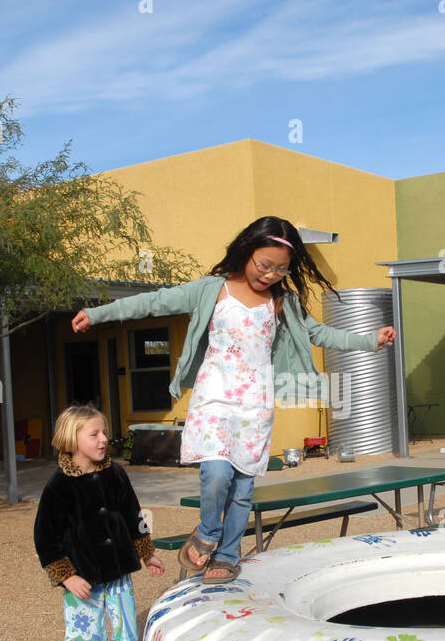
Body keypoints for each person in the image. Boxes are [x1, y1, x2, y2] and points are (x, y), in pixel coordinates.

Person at [71, 215, 396, 583]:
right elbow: (155, 302)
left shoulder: (282, 302)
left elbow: (320, 334)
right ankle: (209, 532)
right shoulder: (213, 289)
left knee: (242, 488)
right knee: (216, 474)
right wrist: (98, 314)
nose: (270, 274)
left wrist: (370, 340)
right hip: (214, 399)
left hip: (254, 405)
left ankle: (227, 555)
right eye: (264, 265)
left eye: (281, 269)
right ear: (247, 250)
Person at [33, 403, 165, 641]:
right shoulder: (58, 486)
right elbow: (45, 539)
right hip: (83, 579)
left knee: (125, 633)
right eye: (94, 434)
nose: (103, 439)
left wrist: (147, 553)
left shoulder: (115, 473)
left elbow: (135, 516)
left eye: (103, 432)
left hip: (118, 571)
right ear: (71, 438)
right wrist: (67, 577)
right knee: (87, 638)